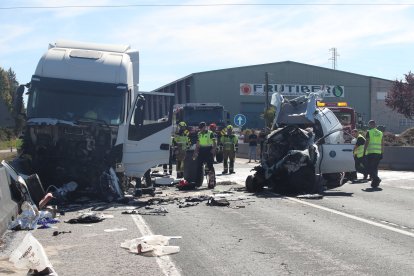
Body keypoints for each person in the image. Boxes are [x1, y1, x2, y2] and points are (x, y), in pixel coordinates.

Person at [193, 122, 217, 188]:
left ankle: (212, 182)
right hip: (201, 150)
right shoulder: (199, 134)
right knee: (199, 167)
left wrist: (213, 149)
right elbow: (198, 144)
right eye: (200, 128)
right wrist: (195, 152)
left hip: (208, 150)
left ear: (204, 127)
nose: (200, 129)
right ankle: (198, 183)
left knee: (210, 167)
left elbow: (214, 143)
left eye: (202, 128)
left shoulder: (210, 133)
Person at [363, 120, 384, 188]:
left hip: (371, 153)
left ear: (371, 125)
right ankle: (375, 183)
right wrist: (382, 153)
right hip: (378, 153)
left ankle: (377, 179)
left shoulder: (369, 132)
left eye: (369, 125)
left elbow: (367, 142)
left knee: (369, 168)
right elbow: (382, 143)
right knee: (375, 168)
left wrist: (364, 151)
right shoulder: (380, 133)